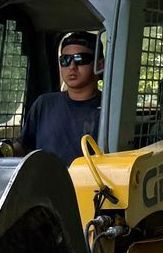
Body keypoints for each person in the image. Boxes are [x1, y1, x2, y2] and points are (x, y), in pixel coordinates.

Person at [20, 31, 103, 161]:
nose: (72, 66)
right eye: (65, 60)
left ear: (99, 65)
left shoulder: (110, 110)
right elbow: (25, 147)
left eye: (80, 59)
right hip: (45, 179)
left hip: (91, 181)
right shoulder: (44, 104)